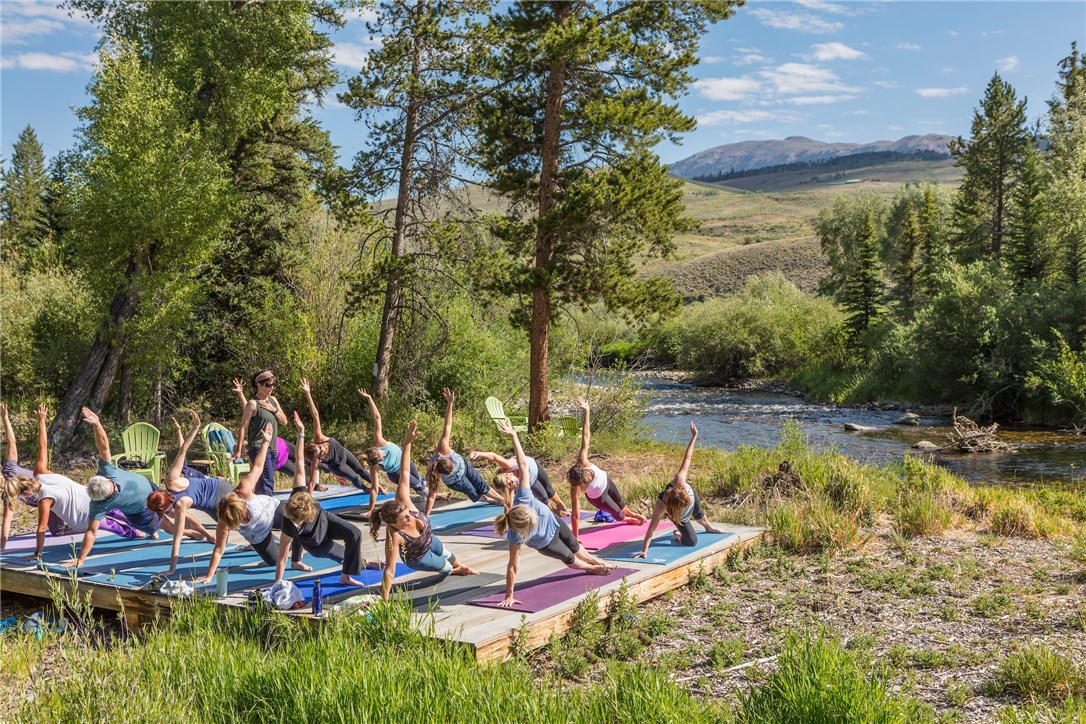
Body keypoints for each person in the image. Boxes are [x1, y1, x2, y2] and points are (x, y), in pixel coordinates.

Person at [494, 420, 611, 608]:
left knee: (574, 544)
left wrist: (514, 435)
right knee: (569, 557)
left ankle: (595, 560)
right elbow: (512, 566)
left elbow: (523, 465)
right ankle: (590, 568)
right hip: (546, 542)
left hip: (554, 522)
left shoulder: (523, 497)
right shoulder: (515, 535)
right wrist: (509, 595)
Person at [1, 404, 134, 558]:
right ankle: (145, 530)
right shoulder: (39, 471)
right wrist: (41, 421)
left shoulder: (43, 499)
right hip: (88, 498)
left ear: (25, 492)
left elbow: (40, 529)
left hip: (82, 516)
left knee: (116, 526)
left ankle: (137, 532)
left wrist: (37, 553)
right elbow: (42, 446)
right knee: (117, 513)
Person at [67, 407, 188, 570]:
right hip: (140, 512)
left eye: (112, 485)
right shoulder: (97, 506)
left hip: (150, 488)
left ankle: (197, 530)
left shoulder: (106, 472)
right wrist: (80, 559)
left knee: (174, 508)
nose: (116, 488)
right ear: (103, 498)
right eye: (113, 492)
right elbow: (91, 532)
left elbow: (103, 446)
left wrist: (97, 424)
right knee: (162, 527)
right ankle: (184, 533)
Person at [369, 421, 477, 600]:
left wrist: (407, 442)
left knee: (449, 555)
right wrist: (384, 600)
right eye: (403, 519)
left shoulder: (404, 500)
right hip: (418, 556)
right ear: (393, 524)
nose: (408, 518)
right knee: (448, 568)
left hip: (429, 539)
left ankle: (462, 566)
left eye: (407, 513)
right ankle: (456, 570)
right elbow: (389, 570)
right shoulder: (394, 535)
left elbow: (404, 469)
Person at [198, 419, 309, 584]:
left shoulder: (243, 489)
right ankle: (284, 545)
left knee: (298, 519)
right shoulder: (224, 521)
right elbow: (219, 549)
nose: (243, 522)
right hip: (259, 535)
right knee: (273, 561)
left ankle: (296, 559)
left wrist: (265, 442)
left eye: (242, 517)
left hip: (272, 511)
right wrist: (209, 576)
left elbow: (257, 467)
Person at [276, 433, 369, 587]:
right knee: (349, 558)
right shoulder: (288, 526)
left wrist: (300, 434)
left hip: (326, 520)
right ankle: (363, 563)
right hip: (317, 543)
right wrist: (277, 585)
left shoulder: (300, 491)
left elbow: (299, 461)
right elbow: (281, 558)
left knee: (355, 534)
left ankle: (345, 576)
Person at [146, 411, 233, 575]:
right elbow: (176, 539)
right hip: (212, 504)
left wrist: (196, 427)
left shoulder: (177, 500)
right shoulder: (173, 488)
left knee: (242, 523)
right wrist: (172, 569)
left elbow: (183, 450)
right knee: (234, 527)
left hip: (221, 490)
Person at [633, 422, 722, 558]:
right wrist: (644, 550)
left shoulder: (679, 480)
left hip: (692, 496)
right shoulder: (661, 505)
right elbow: (651, 528)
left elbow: (687, 458)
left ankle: (708, 527)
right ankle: (678, 534)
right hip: (680, 516)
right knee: (691, 542)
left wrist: (694, 436)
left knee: (699, 513)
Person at [568, 398, 646, 539]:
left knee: (620, 503)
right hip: (599, 497)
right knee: (618, 514)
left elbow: (586, 436)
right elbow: (575, 513)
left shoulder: (583, 461)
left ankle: (632, 514)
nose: (580, 488)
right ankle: (627, 519)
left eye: (581, 485)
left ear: (583, 478)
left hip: (607, 482)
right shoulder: (574, 487)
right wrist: (575, 536)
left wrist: (587, 411)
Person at [423, 388, 502, 516]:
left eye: (452, 466)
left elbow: (447, 425)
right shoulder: (433, 474)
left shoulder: (443, 448)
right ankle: (488, 499)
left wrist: (450, 403)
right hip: (456, 482)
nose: (453, 469)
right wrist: (426, 516)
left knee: (480, 484)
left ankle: (500, 499)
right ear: (441, 473)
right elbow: (431, 496)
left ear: (447, 459)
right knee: (474, 493)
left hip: (464, 465)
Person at [299, 377, 379, 493]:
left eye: (320, 448)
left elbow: (315, 415)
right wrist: (309, 499)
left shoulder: (319, 438)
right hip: (338, 466)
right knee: (354, 477)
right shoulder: (315, 460)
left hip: (343, 452)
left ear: (316, 444)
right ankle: (365, 488)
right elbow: (312, 482)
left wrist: (308, 394)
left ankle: (377, 486)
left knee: (360, 470)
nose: (323, 450)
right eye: (321, 454)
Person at [359, 388, 431, 509]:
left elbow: (377, 418)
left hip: (407, 463)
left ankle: (428, 493)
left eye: (382, 453)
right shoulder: (374, 467)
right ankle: (435, 496)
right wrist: (371, 509)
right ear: (378, 461)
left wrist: (369, 398)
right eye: (383, 457)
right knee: (420, 487)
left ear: (376, 449)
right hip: (397, 473)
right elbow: (374, 488)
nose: (384, 455)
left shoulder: (378, 441)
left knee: (420, 481)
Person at [233, 369, 289, 496]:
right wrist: (238, 448)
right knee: (267, 481)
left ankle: (256, 509)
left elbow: (284, 421)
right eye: (268, 385)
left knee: (262, 482)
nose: (271, 388)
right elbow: (243, 427)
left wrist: (273, 409)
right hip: (257, 447)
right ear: (259, 385)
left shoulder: (273, 400)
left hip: (272, 447)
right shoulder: (253, 404)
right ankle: (267, 510)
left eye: (273, 385)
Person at [472, 445, 568, 516]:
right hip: (531, 481)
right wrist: (506, 521)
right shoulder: (510, 486)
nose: (512, 484)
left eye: (509, 482)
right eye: (509, 485)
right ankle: (555, 511)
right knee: (543, 497)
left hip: (534, 468)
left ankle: (561, 505)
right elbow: (508, 504)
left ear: (507, 474)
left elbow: (494, 456)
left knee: (549, 490)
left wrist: (479, 453)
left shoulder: (508, 466)